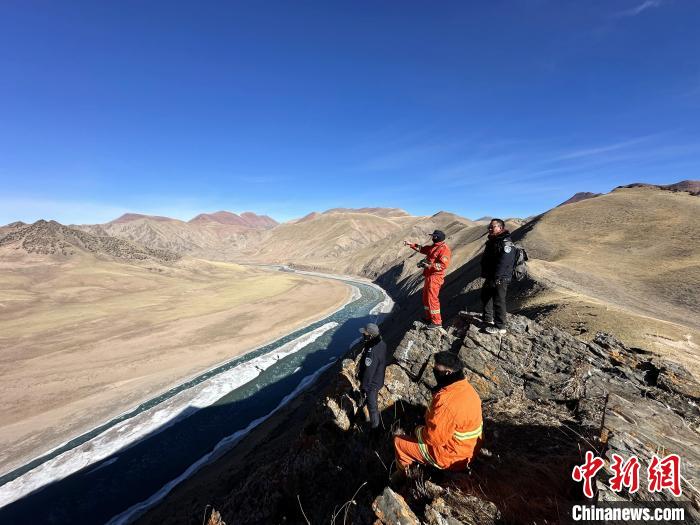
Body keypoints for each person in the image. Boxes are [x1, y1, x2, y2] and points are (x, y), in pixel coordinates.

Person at [393, 351, 483, 473]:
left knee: (399, 443)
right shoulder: (467, 388)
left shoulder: (446, 403)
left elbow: (433, 439)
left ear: (448, 372)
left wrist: (417, 430)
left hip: (451, 456)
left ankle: (403, 475)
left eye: (437, 369)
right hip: (469, 449)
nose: (434, 371)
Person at [404, 230, 451, 329]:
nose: (433, 238)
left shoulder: (444, 249)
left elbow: (443, 265)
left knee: (432, 299)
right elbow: (422, 249)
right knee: (426, 298)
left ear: (439, 237)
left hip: (435, 277)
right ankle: (429, 318)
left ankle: (437, 322)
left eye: (434, 236)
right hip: (429, 276)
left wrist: (429, 265)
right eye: (432, 236)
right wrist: (411, 244)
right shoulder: (434, 247)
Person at [480, 218, 516, 334]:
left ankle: (500, 327)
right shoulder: (494, 241)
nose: (490, 229)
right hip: (491, 276)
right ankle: (487, 319)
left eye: (492, 227)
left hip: (500, 277)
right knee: (485, 295)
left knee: (498, 300)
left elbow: (505, 262)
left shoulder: (506, 243)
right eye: (489, 227)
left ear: (500, 228)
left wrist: (498, 277)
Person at [357, 322, 388, 434]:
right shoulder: (381, 343)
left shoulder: (372, 351)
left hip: (372, 384)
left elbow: (369, 372)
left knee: (372, 406)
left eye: (364, 334)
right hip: (379, 377)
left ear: (370, 335)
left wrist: (364, 387)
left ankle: (376, 429)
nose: (363, 335)